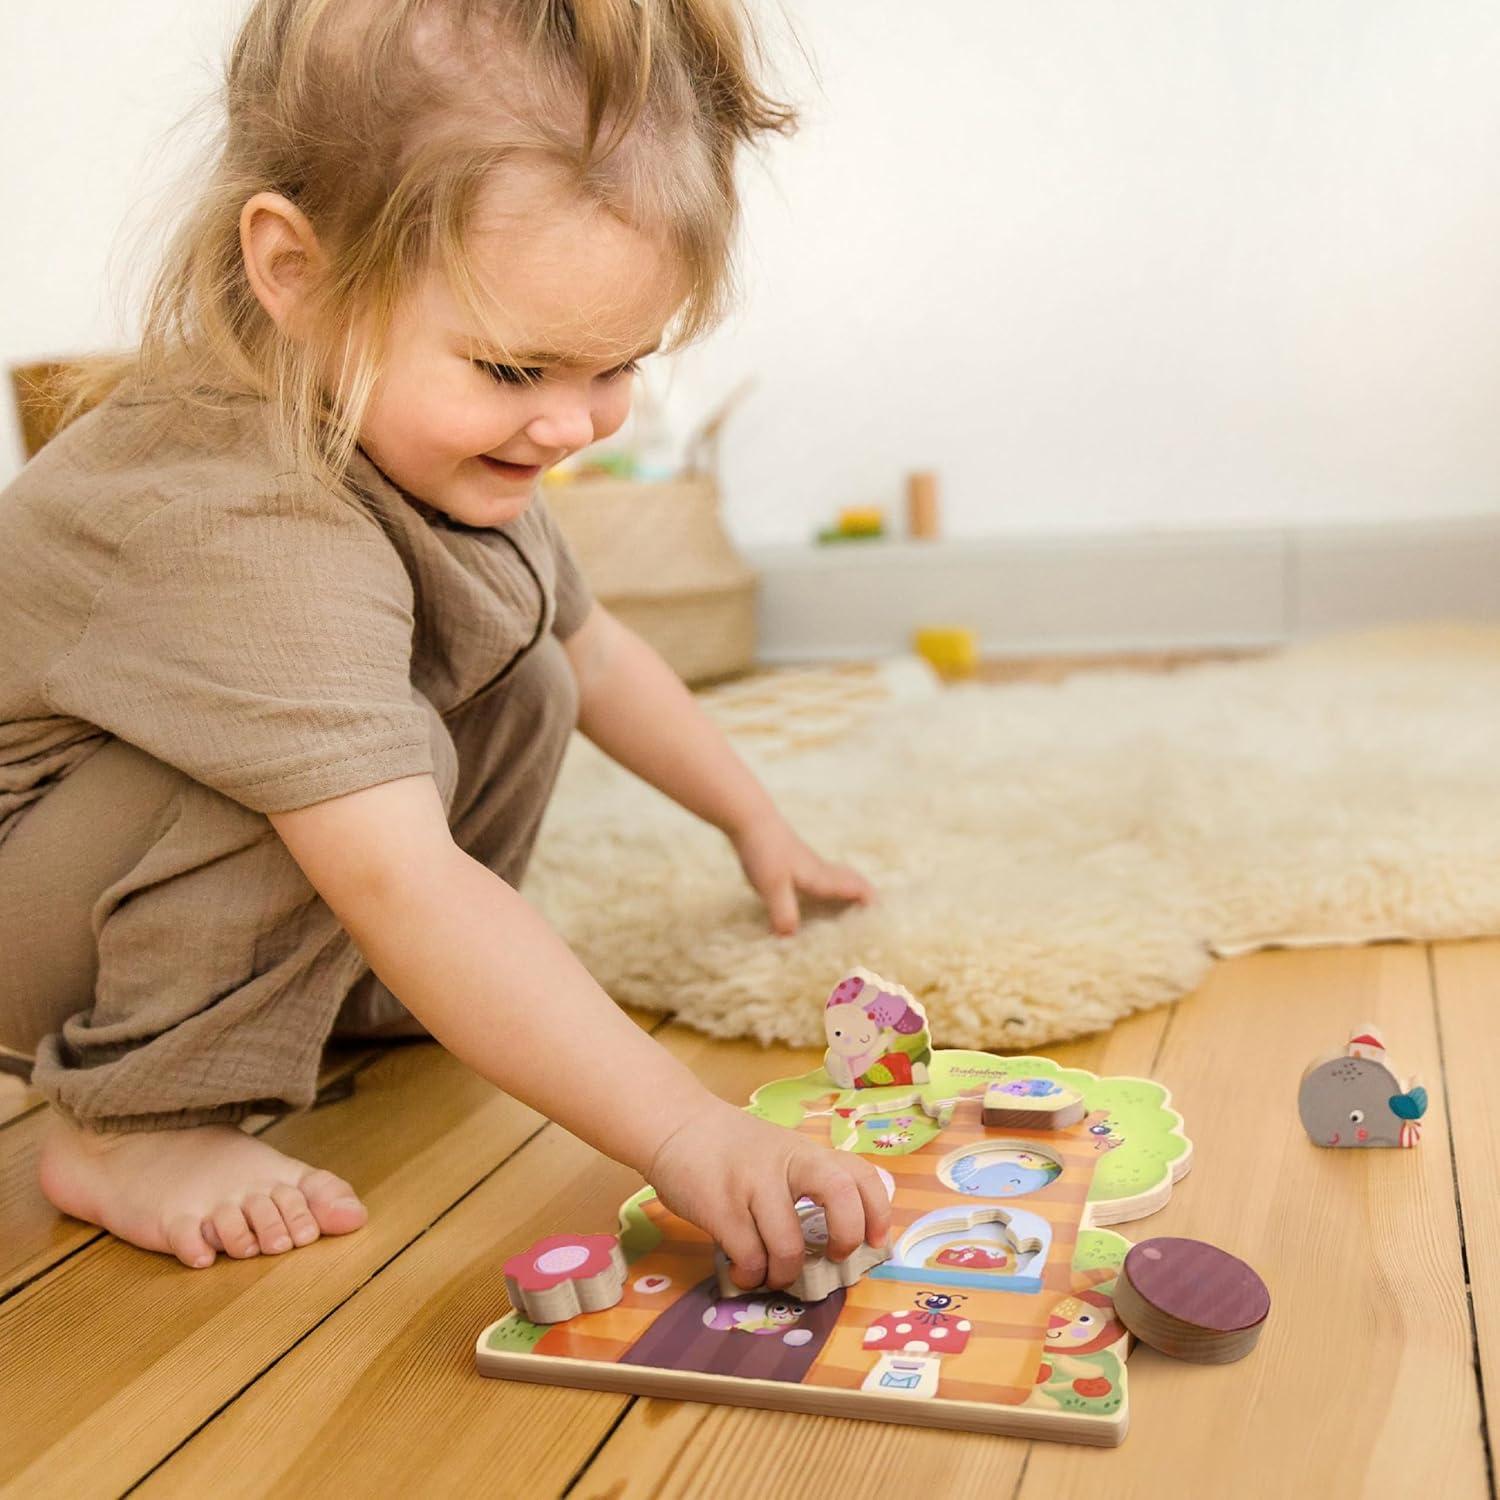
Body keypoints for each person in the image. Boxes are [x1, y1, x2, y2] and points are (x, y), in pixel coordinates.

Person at [0, 0, 891, 1282]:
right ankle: (138, 1121)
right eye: (518, 371)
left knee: (518, 664)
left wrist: (755, 822)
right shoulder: (242, 522)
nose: (577, 421)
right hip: (33, 914)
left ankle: (365, 1005)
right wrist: (686, 1129)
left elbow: (592, 656)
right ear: (295, 272)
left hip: (127, 869)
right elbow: (398, 878)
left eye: (618, 365)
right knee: (343, 782)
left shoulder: (421, 427)